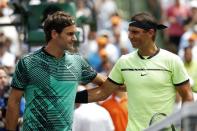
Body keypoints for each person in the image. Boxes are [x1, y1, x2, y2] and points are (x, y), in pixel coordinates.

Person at [77, 12, 194, 130]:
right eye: (129, 31)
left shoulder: (172, 61)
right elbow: (103, 92)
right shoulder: (124, 61)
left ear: (150, 33)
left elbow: (187, 96)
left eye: (135, 32)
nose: (129, 36)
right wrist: (71, 97)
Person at [5, 11, 107, 131]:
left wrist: (129, 82)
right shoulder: (27, 62)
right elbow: (14, 102)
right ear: (54, 34)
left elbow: (106, 84)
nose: (74, 38)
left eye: (75, 33)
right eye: (70, 34)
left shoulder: (77, 61)